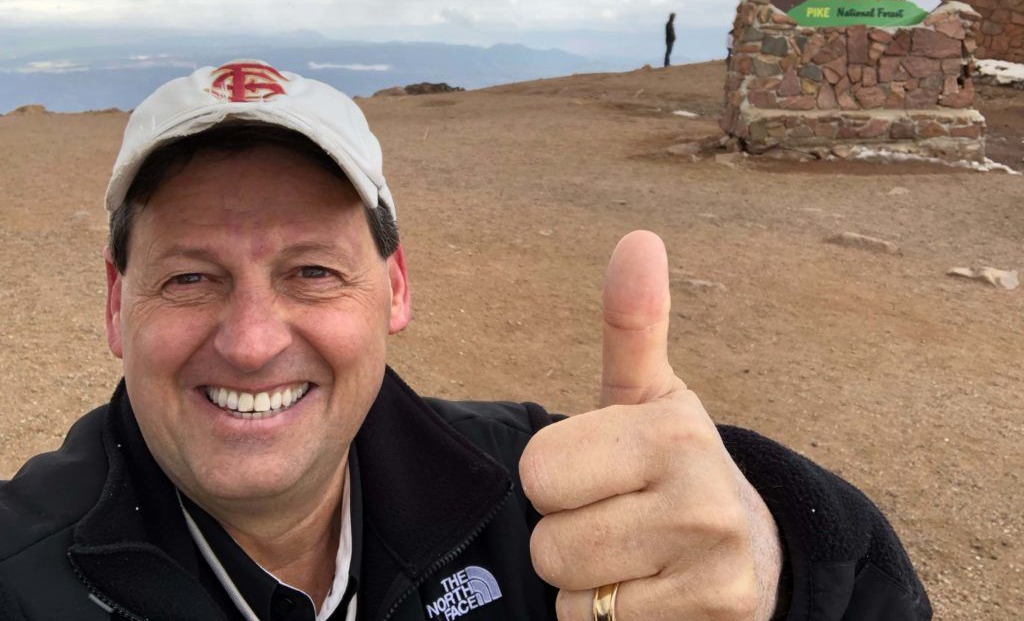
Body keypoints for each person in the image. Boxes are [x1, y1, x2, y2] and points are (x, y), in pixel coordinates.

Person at [0, 60, 931, 621]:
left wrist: (780, 567)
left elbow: (866, 591)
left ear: (395, 289)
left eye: (313, 272)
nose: (249, 342)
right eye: (189, 277)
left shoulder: (539, 507)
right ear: (117, 304)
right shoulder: (19, 571)